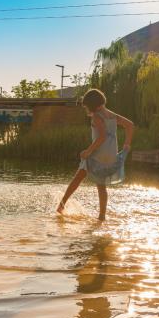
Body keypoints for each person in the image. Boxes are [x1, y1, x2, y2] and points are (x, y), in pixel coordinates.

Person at [57, 89, 134, 221]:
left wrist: (88, 151)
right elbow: (130, 125)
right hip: (110, 155)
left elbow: (102, 137)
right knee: (101, 185)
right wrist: (126, 144)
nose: (86, 107)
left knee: (78, 177)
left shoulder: (97, 116)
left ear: (91, 104)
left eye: (86, 105)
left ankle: (61, 205)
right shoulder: (112, 115)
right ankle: (102, 216)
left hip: (98, 153)